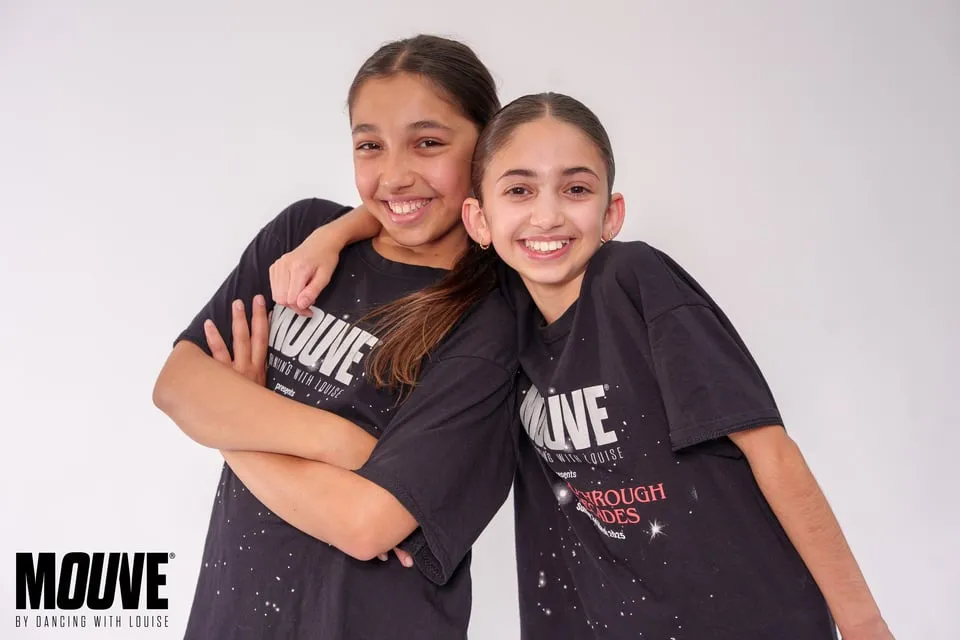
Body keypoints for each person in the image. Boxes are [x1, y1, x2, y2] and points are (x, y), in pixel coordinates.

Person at [276, 93, 893, 638]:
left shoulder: (635, 281)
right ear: (481, 219)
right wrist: (325, 237)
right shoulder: (502, 318)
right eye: (519, 190)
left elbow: (772, 453)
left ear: (611, 213)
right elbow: (407, 215)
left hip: (746, 616)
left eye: (575, 189)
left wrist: (864, 625)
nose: (547, 215)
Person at [152, 35, 520, 639]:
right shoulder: (302, 239)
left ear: (485, 147)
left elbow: (365, 524)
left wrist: (235, 419)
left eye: (428, 143)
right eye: (370, 145)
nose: (396, 174)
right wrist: (341, 443)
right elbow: (176, 387)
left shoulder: (493, 319)